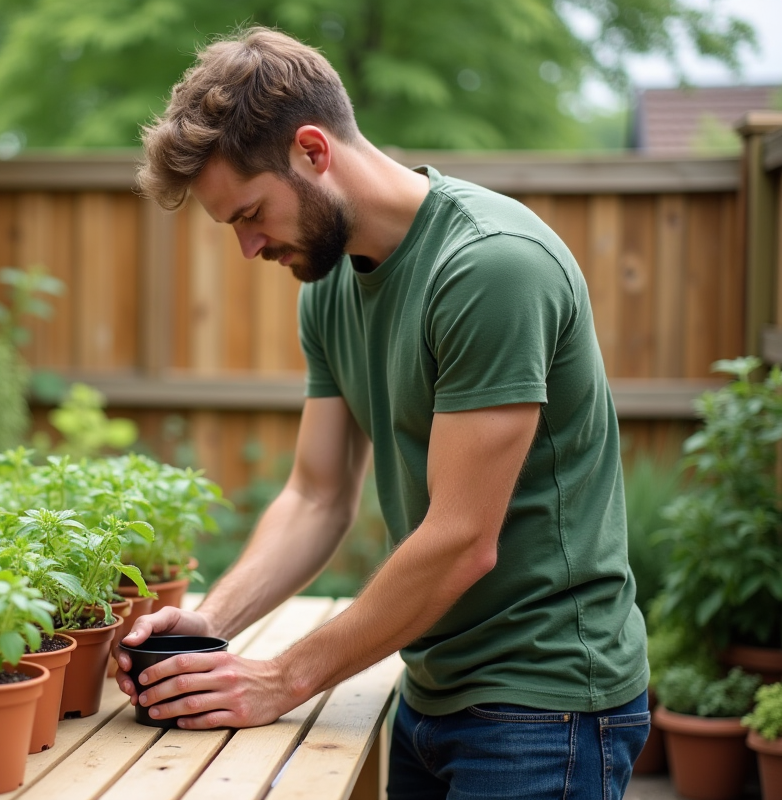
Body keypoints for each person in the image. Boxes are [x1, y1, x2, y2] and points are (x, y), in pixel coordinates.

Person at [116, 26, 650, 800]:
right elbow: (316, 495)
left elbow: (463, 540)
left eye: (250, 212)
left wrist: (282, 678)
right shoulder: (329, 287)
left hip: (545, 707)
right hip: (430, 690)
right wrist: (212, 622)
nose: (247, 246)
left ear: (312, 150)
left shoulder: (489, 268)